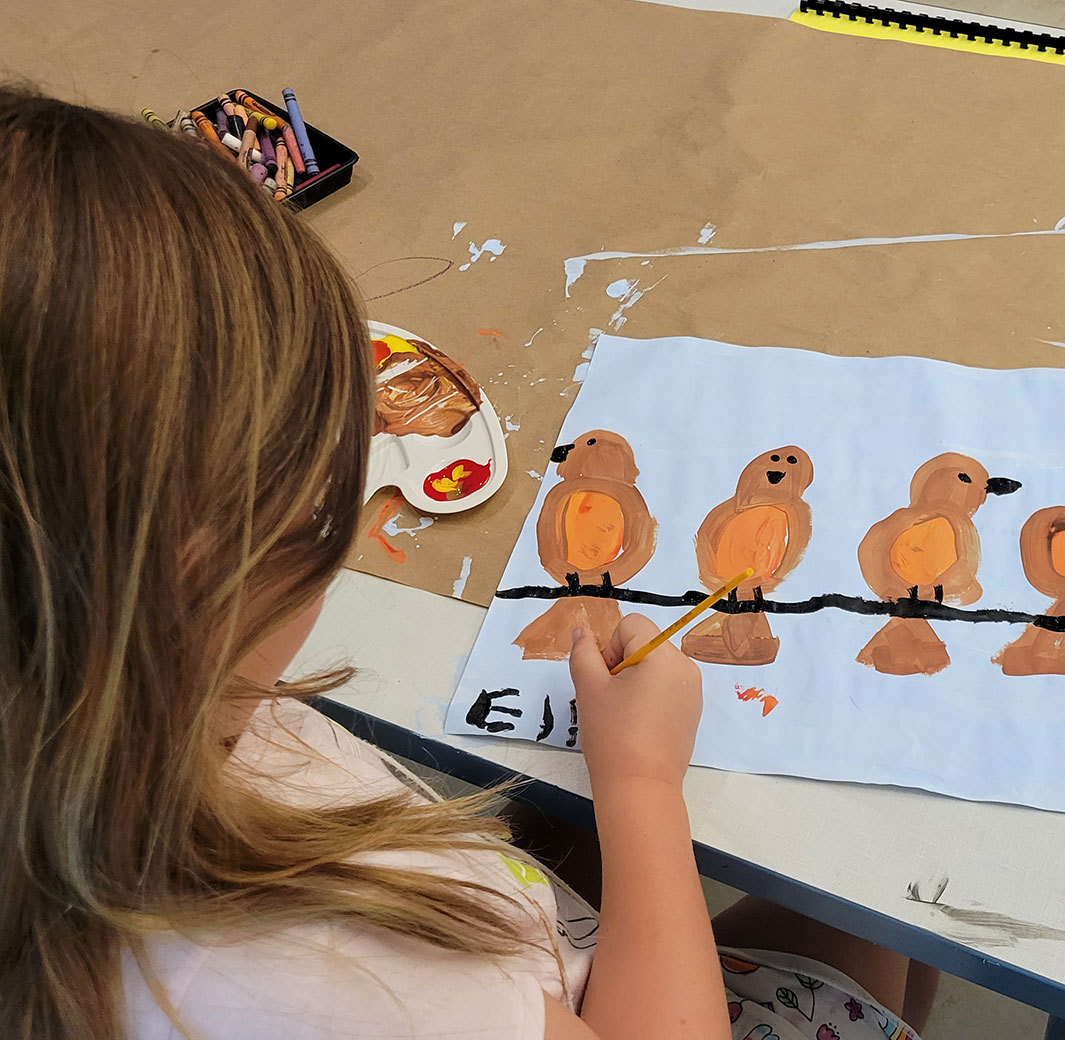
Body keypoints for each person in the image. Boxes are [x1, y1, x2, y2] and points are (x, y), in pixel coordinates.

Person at [0, 87, 936, 1040]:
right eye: (332, 482)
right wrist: (642, 787)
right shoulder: (344, 990)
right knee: (875, 886)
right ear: (210, 573)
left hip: (491, 915)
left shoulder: (118, 721)